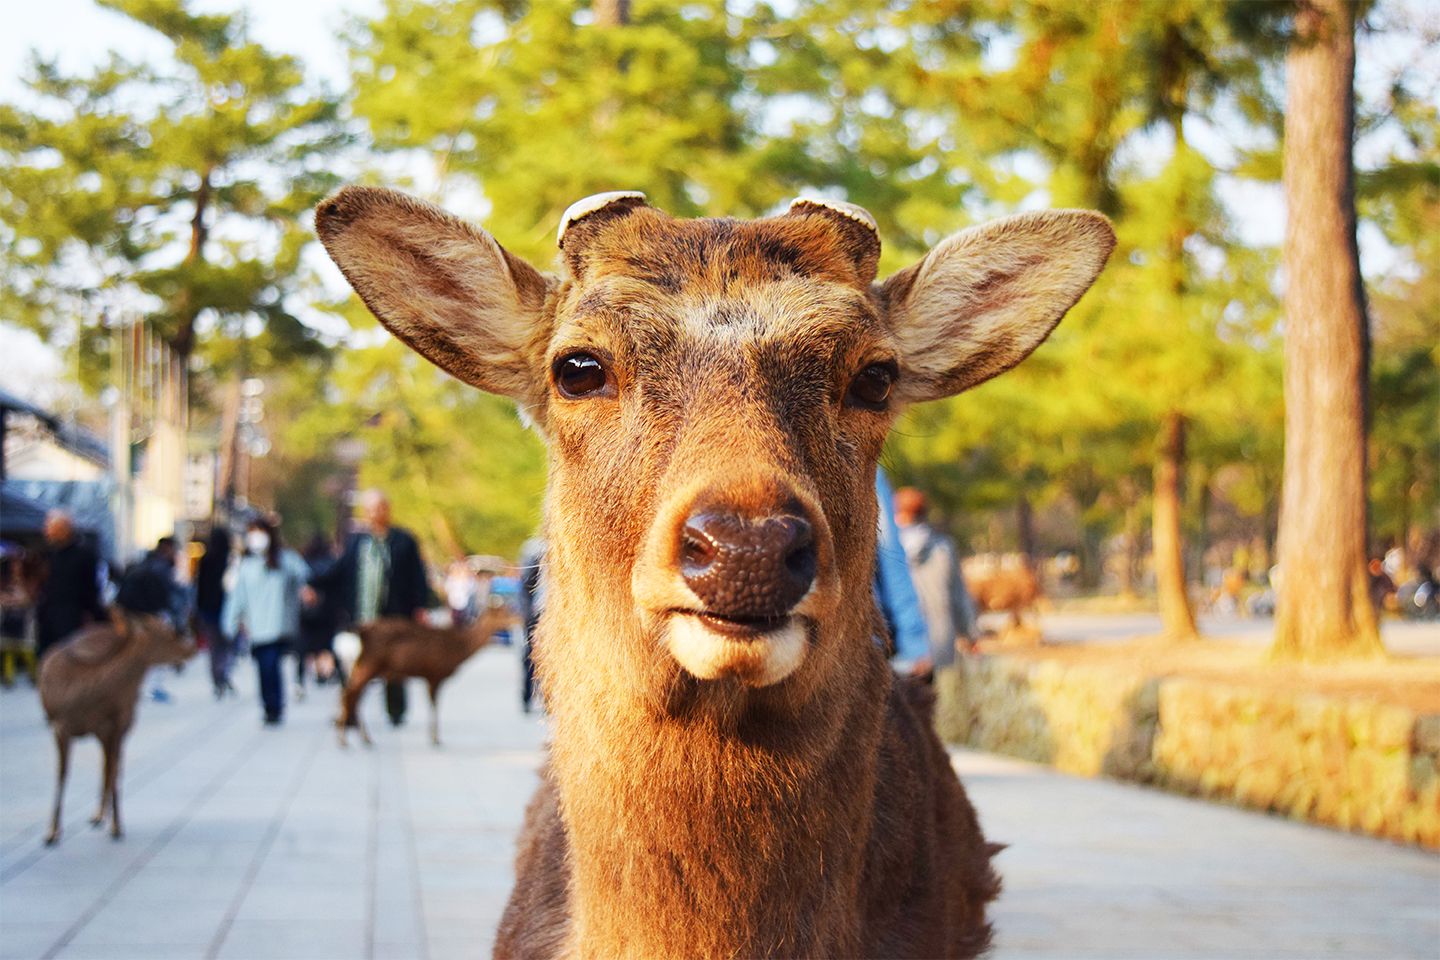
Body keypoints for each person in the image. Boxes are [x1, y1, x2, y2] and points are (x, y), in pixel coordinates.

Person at [313, 490, 430, 726]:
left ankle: (396, 711)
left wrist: (420, 608)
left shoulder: (404, 540)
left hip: (392, 618)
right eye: (371, 509)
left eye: (380, 507)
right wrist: (311, 583)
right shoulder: (357, 541)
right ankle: (349, 712)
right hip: (361, 619)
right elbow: (338, 570)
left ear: (388, 509)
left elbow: (417, 577)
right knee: (353, 668)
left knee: (395, 666)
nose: (376, 513)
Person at [222, 518, 309, 725]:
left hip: (280, 626)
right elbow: (237, 598)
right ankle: (270, 706)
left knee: (270, 664)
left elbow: (304, 576)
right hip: (257, 628)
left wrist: (306, 591)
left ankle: (275, 706)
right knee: (264, 667)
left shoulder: (286, 560)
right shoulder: (247, 565)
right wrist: (230, 624)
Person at [893, 487, 980, 671]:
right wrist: (970, 635)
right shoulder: (943, 548)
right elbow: (959, 596)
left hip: (897, 647)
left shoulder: (885, 551)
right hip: (938, 643)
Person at [872, 470, 931, 677]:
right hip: (862, 641)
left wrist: (914, 644)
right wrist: (915, 645)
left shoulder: (862, 462)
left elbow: (889, 556)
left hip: (861, 643)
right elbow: (892, 558)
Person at [34, 510, 106, 663]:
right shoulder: (50, 555)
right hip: (50, 619)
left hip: (72, 619)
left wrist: (95, 616)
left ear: (64, 529)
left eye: (51, 528)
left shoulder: (84, 555)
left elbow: (90, 590)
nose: (46, 532)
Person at [297, 533, 342, 692]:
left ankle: (309, 673)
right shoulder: (332, 563)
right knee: (325, 644)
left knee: (308, 645)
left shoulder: (305, 563)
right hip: (327, 613)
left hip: (310, 614)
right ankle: (324, 671)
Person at [194, 526, 235, 698]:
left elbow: (199, 587)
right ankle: (223, 674)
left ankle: (218, 677)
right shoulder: (229, 560)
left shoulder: (206, 559)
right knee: (226, 645)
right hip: (226, 608)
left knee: (214, 646)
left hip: (209, 609)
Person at [517, 535, 546, 713]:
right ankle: (527, 696)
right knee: (530, 655)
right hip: (536, 615)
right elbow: (525, 588)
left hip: (552, 612)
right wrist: (528, 616)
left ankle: (547, 697)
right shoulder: (536, 551)